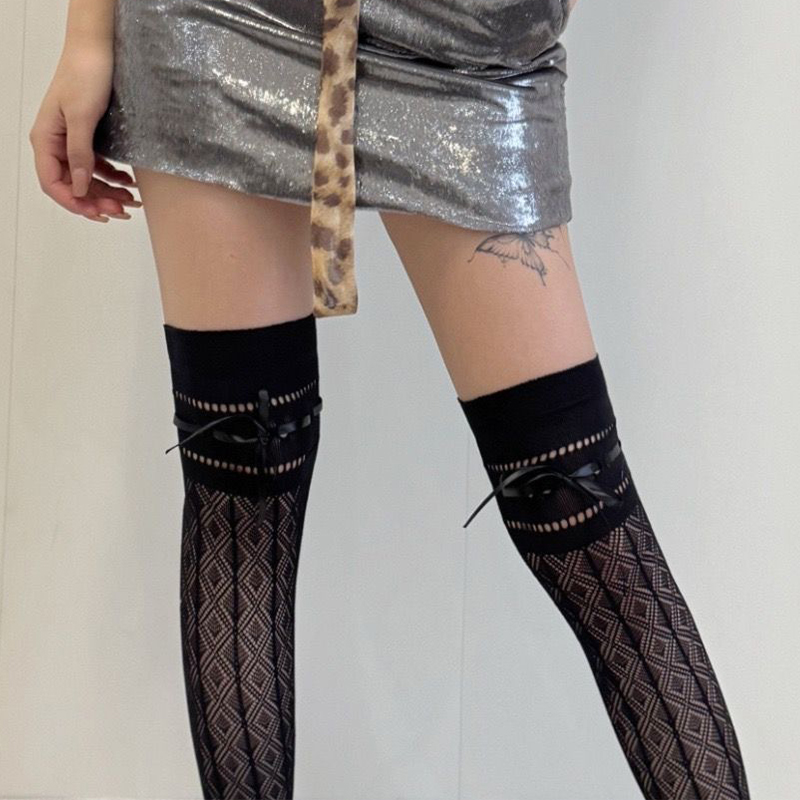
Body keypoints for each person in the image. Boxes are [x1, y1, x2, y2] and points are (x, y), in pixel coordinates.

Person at [28, 0, 751, 798]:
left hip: (472, 45)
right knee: (243, 497)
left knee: (582, 512)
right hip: (218, 23)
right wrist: (87, 38)